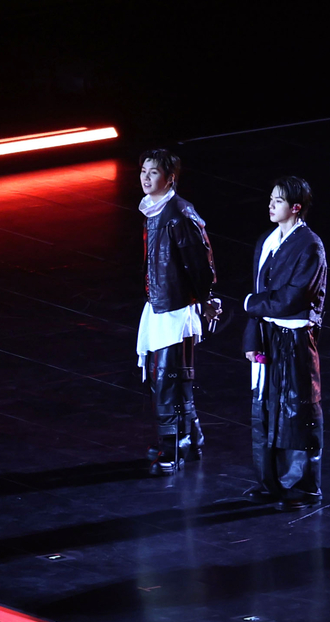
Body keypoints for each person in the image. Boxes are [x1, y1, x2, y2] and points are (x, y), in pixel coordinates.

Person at [242, 177, 328, 511]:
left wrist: (252, 304)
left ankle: (304, 486)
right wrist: (252, 337)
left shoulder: (309, 246)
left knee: (297, 408)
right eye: (271, 199)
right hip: (269, 335)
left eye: (278, 201)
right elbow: (260, 292)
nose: (270, 205)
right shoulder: (268, 241)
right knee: (265, 407)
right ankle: (271, 482)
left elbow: (293, 297)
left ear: (295, 207)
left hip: (294, 339)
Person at [135, 149, 217, 475]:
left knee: (168, 380)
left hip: (176, 307)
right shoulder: (154, 210)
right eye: (143, 171)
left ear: (170, 178)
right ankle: (190, 437)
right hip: (159, 302)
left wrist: (206, 298)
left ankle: (172, 447)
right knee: (169, 379)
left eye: (153, 172)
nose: (145, 177)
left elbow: (200, 260)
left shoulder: (179, 214)